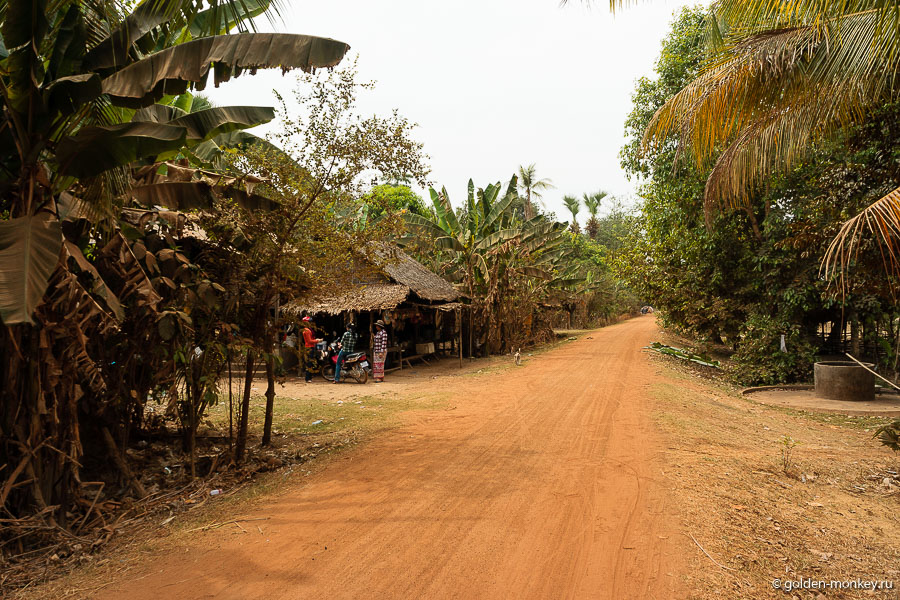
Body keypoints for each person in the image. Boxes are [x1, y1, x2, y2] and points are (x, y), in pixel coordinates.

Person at [301, 316, 323, 383]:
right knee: (309, 363)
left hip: (310, 347)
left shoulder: (308, 329)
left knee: (311, 362)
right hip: (309, 347)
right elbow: (309, 341)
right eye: (309, 322)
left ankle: (309, 377)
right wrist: (317, 341)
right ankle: (308, 378)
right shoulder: (307, 331)